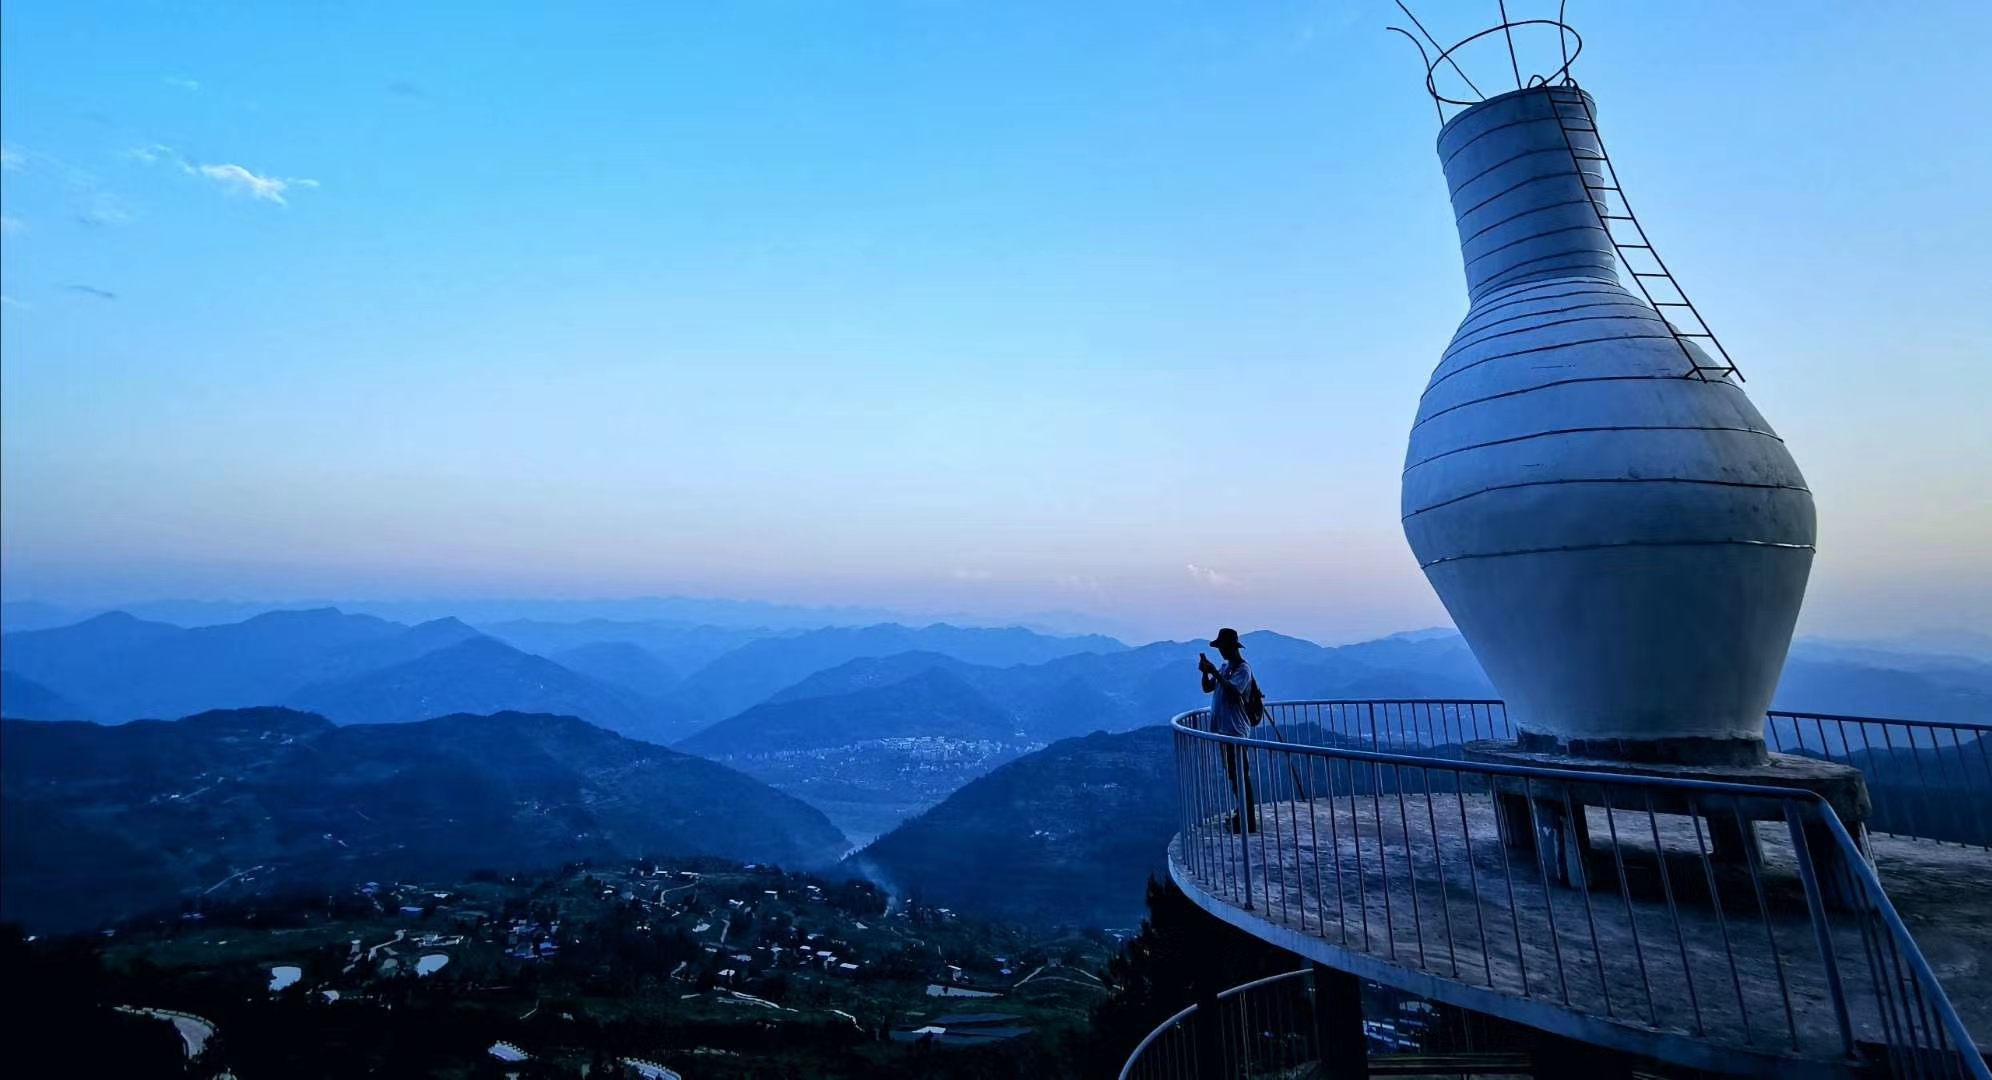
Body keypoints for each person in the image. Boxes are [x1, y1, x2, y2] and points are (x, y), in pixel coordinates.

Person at [1198, 627, 1259, 833]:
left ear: (1232, 647)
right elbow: (1208, 688)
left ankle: (1247, 819)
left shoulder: (1243, 669)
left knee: (1241, 774)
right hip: (1225, 731)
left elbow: (1234, 693)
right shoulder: (1225, 669)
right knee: (1234, 774)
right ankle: (1242, 812)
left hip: (1236, 732)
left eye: (1223, 647)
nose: (1221, 651)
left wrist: (1214, 671)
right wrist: (1206, 673)